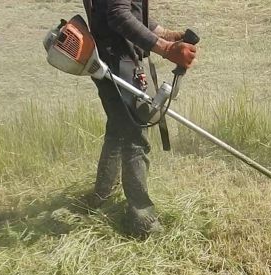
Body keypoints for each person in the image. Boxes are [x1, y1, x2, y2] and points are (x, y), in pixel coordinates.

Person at [84, 0, 197, 237]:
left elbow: (129, 10)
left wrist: (166, 35)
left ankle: (100, 198)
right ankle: (143, 222)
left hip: (109, 56)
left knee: (118, 129)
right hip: (116, 60)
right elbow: (118, 15)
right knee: (135, 135)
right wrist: (166, 49)